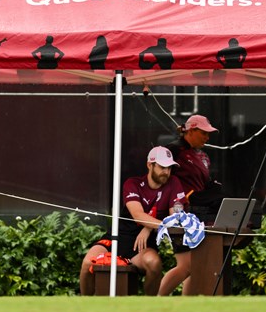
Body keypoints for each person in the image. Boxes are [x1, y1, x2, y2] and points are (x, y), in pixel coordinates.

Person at [79, 146, 186, 296]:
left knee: (154, 264)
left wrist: (149, 228)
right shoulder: (133, 183)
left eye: (169, 168)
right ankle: (85, 304)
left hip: (143, 246)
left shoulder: (173, 182)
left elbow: (176, 217)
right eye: (162, 167)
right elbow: (138, 215)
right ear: (150, 165)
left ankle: (150, 307)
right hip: (118, 238)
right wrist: (157, 225)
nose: (166, 172)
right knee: (87, 263)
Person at [161, 114, 221, 295]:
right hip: (182, 213)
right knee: (187, 265)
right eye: (203, 133)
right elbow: (161, 179)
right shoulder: (172, 150)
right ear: (191, 131)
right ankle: (156, 300)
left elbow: (203, 184)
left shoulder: (203, 155)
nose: (207, 137)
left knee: (196, 266)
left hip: (201, 213)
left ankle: (186, 306)